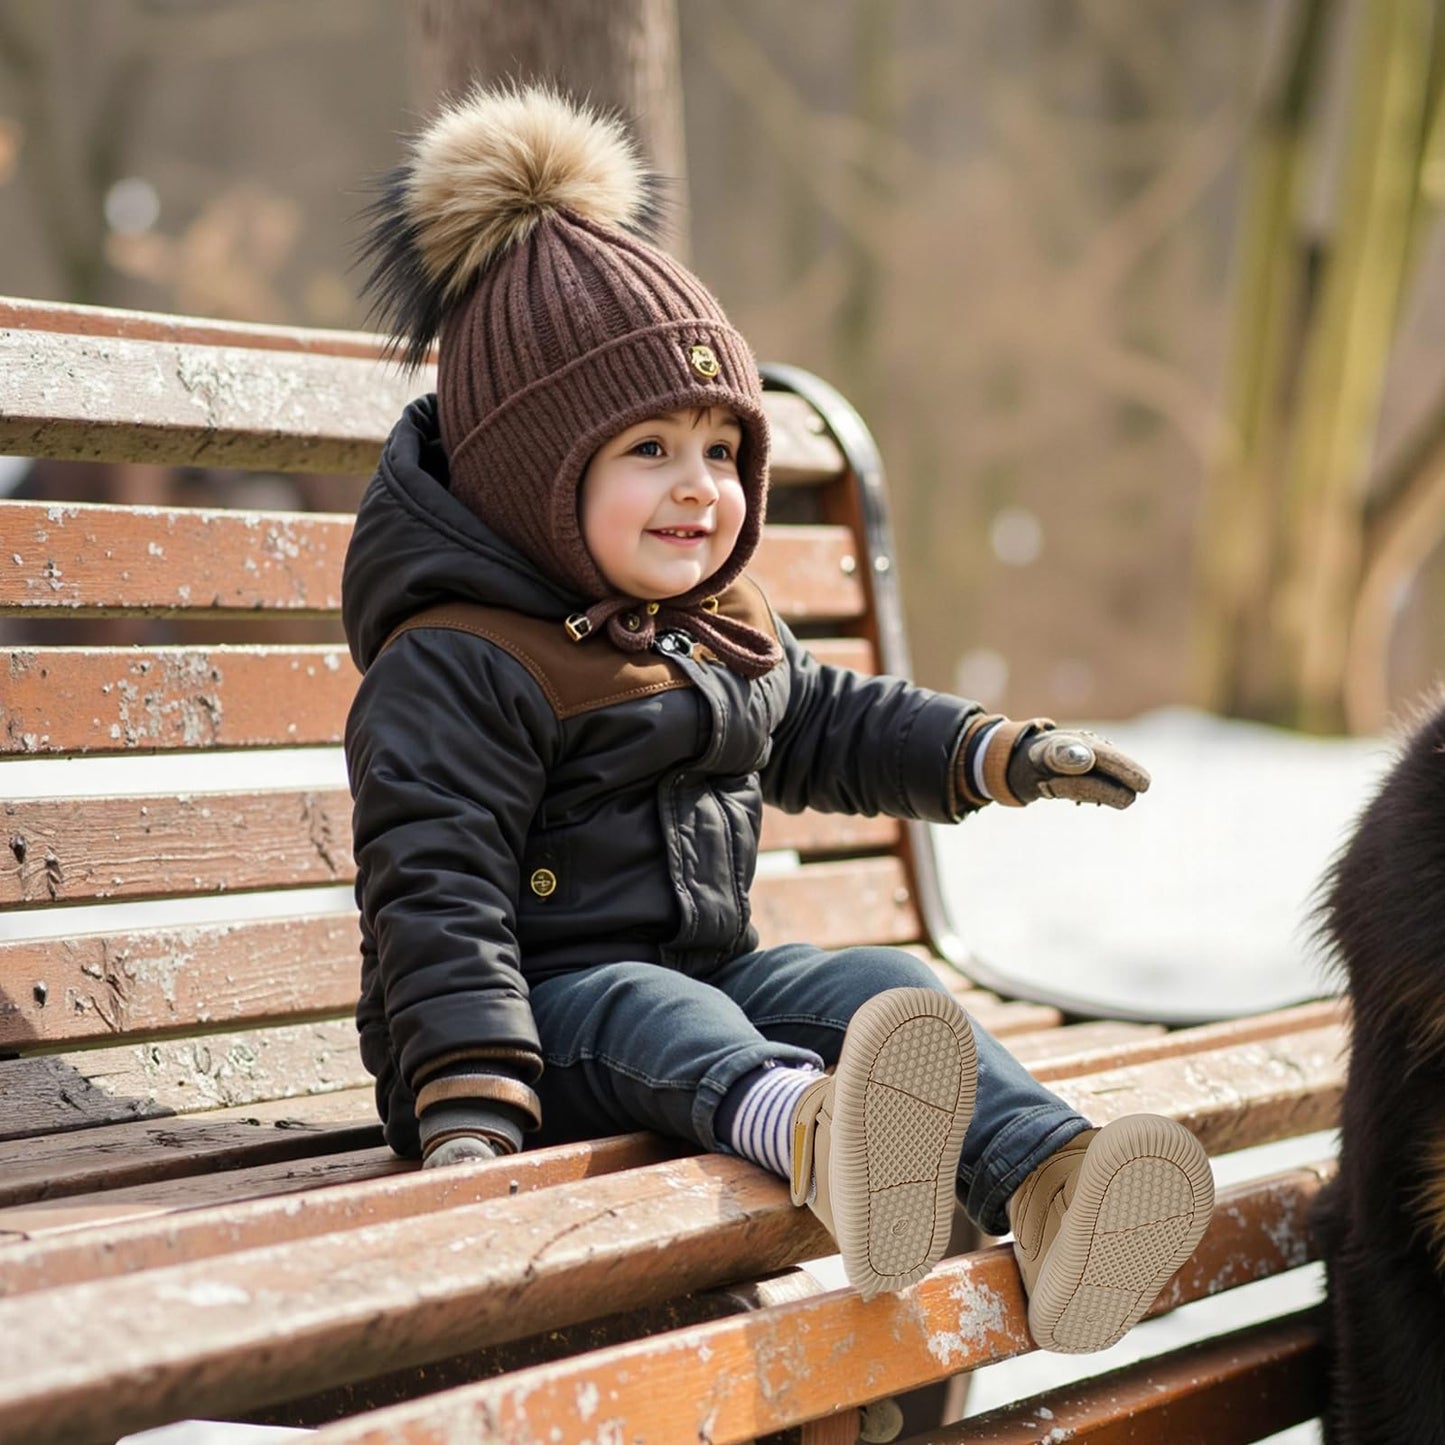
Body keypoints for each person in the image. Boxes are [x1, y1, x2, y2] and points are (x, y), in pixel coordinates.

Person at [342, 82, 1214, 1353]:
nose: (697, 489)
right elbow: (433, 887)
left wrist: (995, 751)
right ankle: (826, 1137)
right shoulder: (459, 657)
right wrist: (463, 1094)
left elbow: (829, 722)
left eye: (719, 450)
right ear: (534, 477)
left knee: (872, 981)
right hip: (532, 1028)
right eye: (647, 449)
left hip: (708, 979)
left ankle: (1055, 1181)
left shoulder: (712, 622)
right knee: (661, 1007)